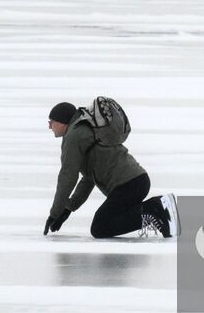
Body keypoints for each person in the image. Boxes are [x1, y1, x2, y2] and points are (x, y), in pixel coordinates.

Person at [43, 101, 179, 239]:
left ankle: (154, 208)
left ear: (62, 122)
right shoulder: (83, 130)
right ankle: (157, 209)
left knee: (100, 227)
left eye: (51, 122)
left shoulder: (73, 137)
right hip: (136, 181)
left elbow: (67, 178)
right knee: (105, 223)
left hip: (127, 185)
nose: (49, 126)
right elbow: (88, 178)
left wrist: (54, 213)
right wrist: (68, 208)